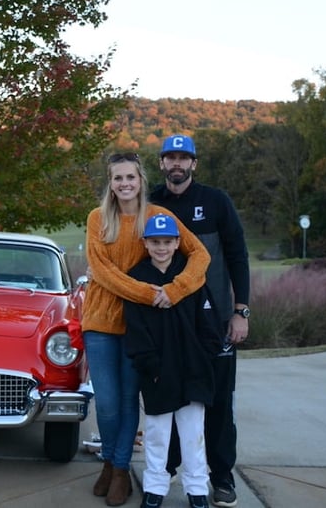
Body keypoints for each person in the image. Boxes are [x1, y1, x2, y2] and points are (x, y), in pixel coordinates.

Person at [84, 153, 211, 507]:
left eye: (130, 177)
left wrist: (175, 289)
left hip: (139, 326)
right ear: (110, 183)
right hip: (100, 320)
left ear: (141, 180)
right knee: (107, 404)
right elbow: (102, 271)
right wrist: (149, 294)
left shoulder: (159, 217)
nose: (125, 184)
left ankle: (120, 469)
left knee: (128, 402)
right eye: (117, 178)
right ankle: (109, 459)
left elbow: (200, 254)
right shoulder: (98, 219)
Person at [150, 135, 251, 508]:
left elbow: (238, 257)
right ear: (161, 162)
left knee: (220, 403)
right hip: (170, 324)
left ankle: (221, 477)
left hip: (216, 321)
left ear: (194, 163)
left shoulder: (216, 201)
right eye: (170, 157)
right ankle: (167, 472)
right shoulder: (152, 204)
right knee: (172, 399)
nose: (177, 163)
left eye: (183, 157)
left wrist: (241, 311)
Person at [123, 213, 221, 508]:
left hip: (192, 368)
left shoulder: (190, 277)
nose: (162, 247)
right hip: (158, 372)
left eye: (167, 241)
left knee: (193, 434)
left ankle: (197, 489)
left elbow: (208, 322)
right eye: (155, 242)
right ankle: (154, 487)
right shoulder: (138, 279)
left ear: (178, 243)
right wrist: (149, 366)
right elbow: (136, 329)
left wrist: (205, 355)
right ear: (146, 243)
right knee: (156, 433)